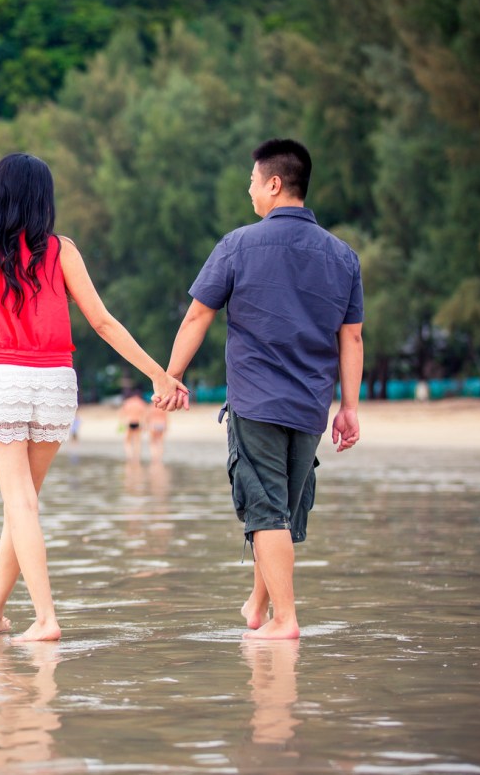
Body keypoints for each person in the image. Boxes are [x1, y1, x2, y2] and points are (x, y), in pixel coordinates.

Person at [0, 152, 187, 642]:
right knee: (23, 505)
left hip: (0, 380)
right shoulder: (61, 250)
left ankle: (45, 618)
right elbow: (103, 322)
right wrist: (159, 374)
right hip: (55, 381)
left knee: (20, 504)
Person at [159, 138, 363, 640]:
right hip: (311, 405)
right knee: (281, 508)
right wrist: (349, 407)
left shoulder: (238, 245)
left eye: (252, 181)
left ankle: (285, 620)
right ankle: (258, 604)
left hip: (257, 400)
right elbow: (352, 338)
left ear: (274, 184)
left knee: (266, 509)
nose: (248, 190)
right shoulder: (343, 256)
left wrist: (171, 375)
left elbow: (198, 315)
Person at [117, 390, 147, 461]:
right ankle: (136, 456)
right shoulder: (141, 403)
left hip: (129, 422)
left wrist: (122, 423)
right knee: (137, 441)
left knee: (127, 441)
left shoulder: (127, 403)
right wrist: (144, 425)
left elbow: (121, 413)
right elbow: (145, 415)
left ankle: (129, 456)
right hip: (138, 422)